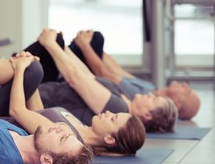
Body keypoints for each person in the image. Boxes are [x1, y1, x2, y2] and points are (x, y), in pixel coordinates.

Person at [0, 51, 146, 156]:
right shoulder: (79, 127)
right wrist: (28, 74)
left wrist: (22, 70)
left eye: (113, 119)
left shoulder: (68, 136)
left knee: (30, 69)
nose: (109, 113)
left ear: (109, 139)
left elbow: (17, 111)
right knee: (34, 68)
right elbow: (39, 111)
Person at [0, 28, 178, 133]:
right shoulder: (124, 102)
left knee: (34, 65)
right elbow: (88, 75)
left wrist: (51, 44)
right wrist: (60, 46)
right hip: (39, 91)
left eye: (153, 100)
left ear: (147, 115)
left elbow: (75, 78)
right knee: (54, 43)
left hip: (34, 97)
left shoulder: (117, 109)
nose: (149, 95)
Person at [66, 29, 200, 120]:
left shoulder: (138, 96)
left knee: (96, 39)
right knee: (95, 39)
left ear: (177, 104)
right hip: (81, 72)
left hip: (77, 76)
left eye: (186, 91)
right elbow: (117, 70)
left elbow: (103, 73)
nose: (185, 85)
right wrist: (97, 51)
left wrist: (84, 45)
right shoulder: (150, 88)